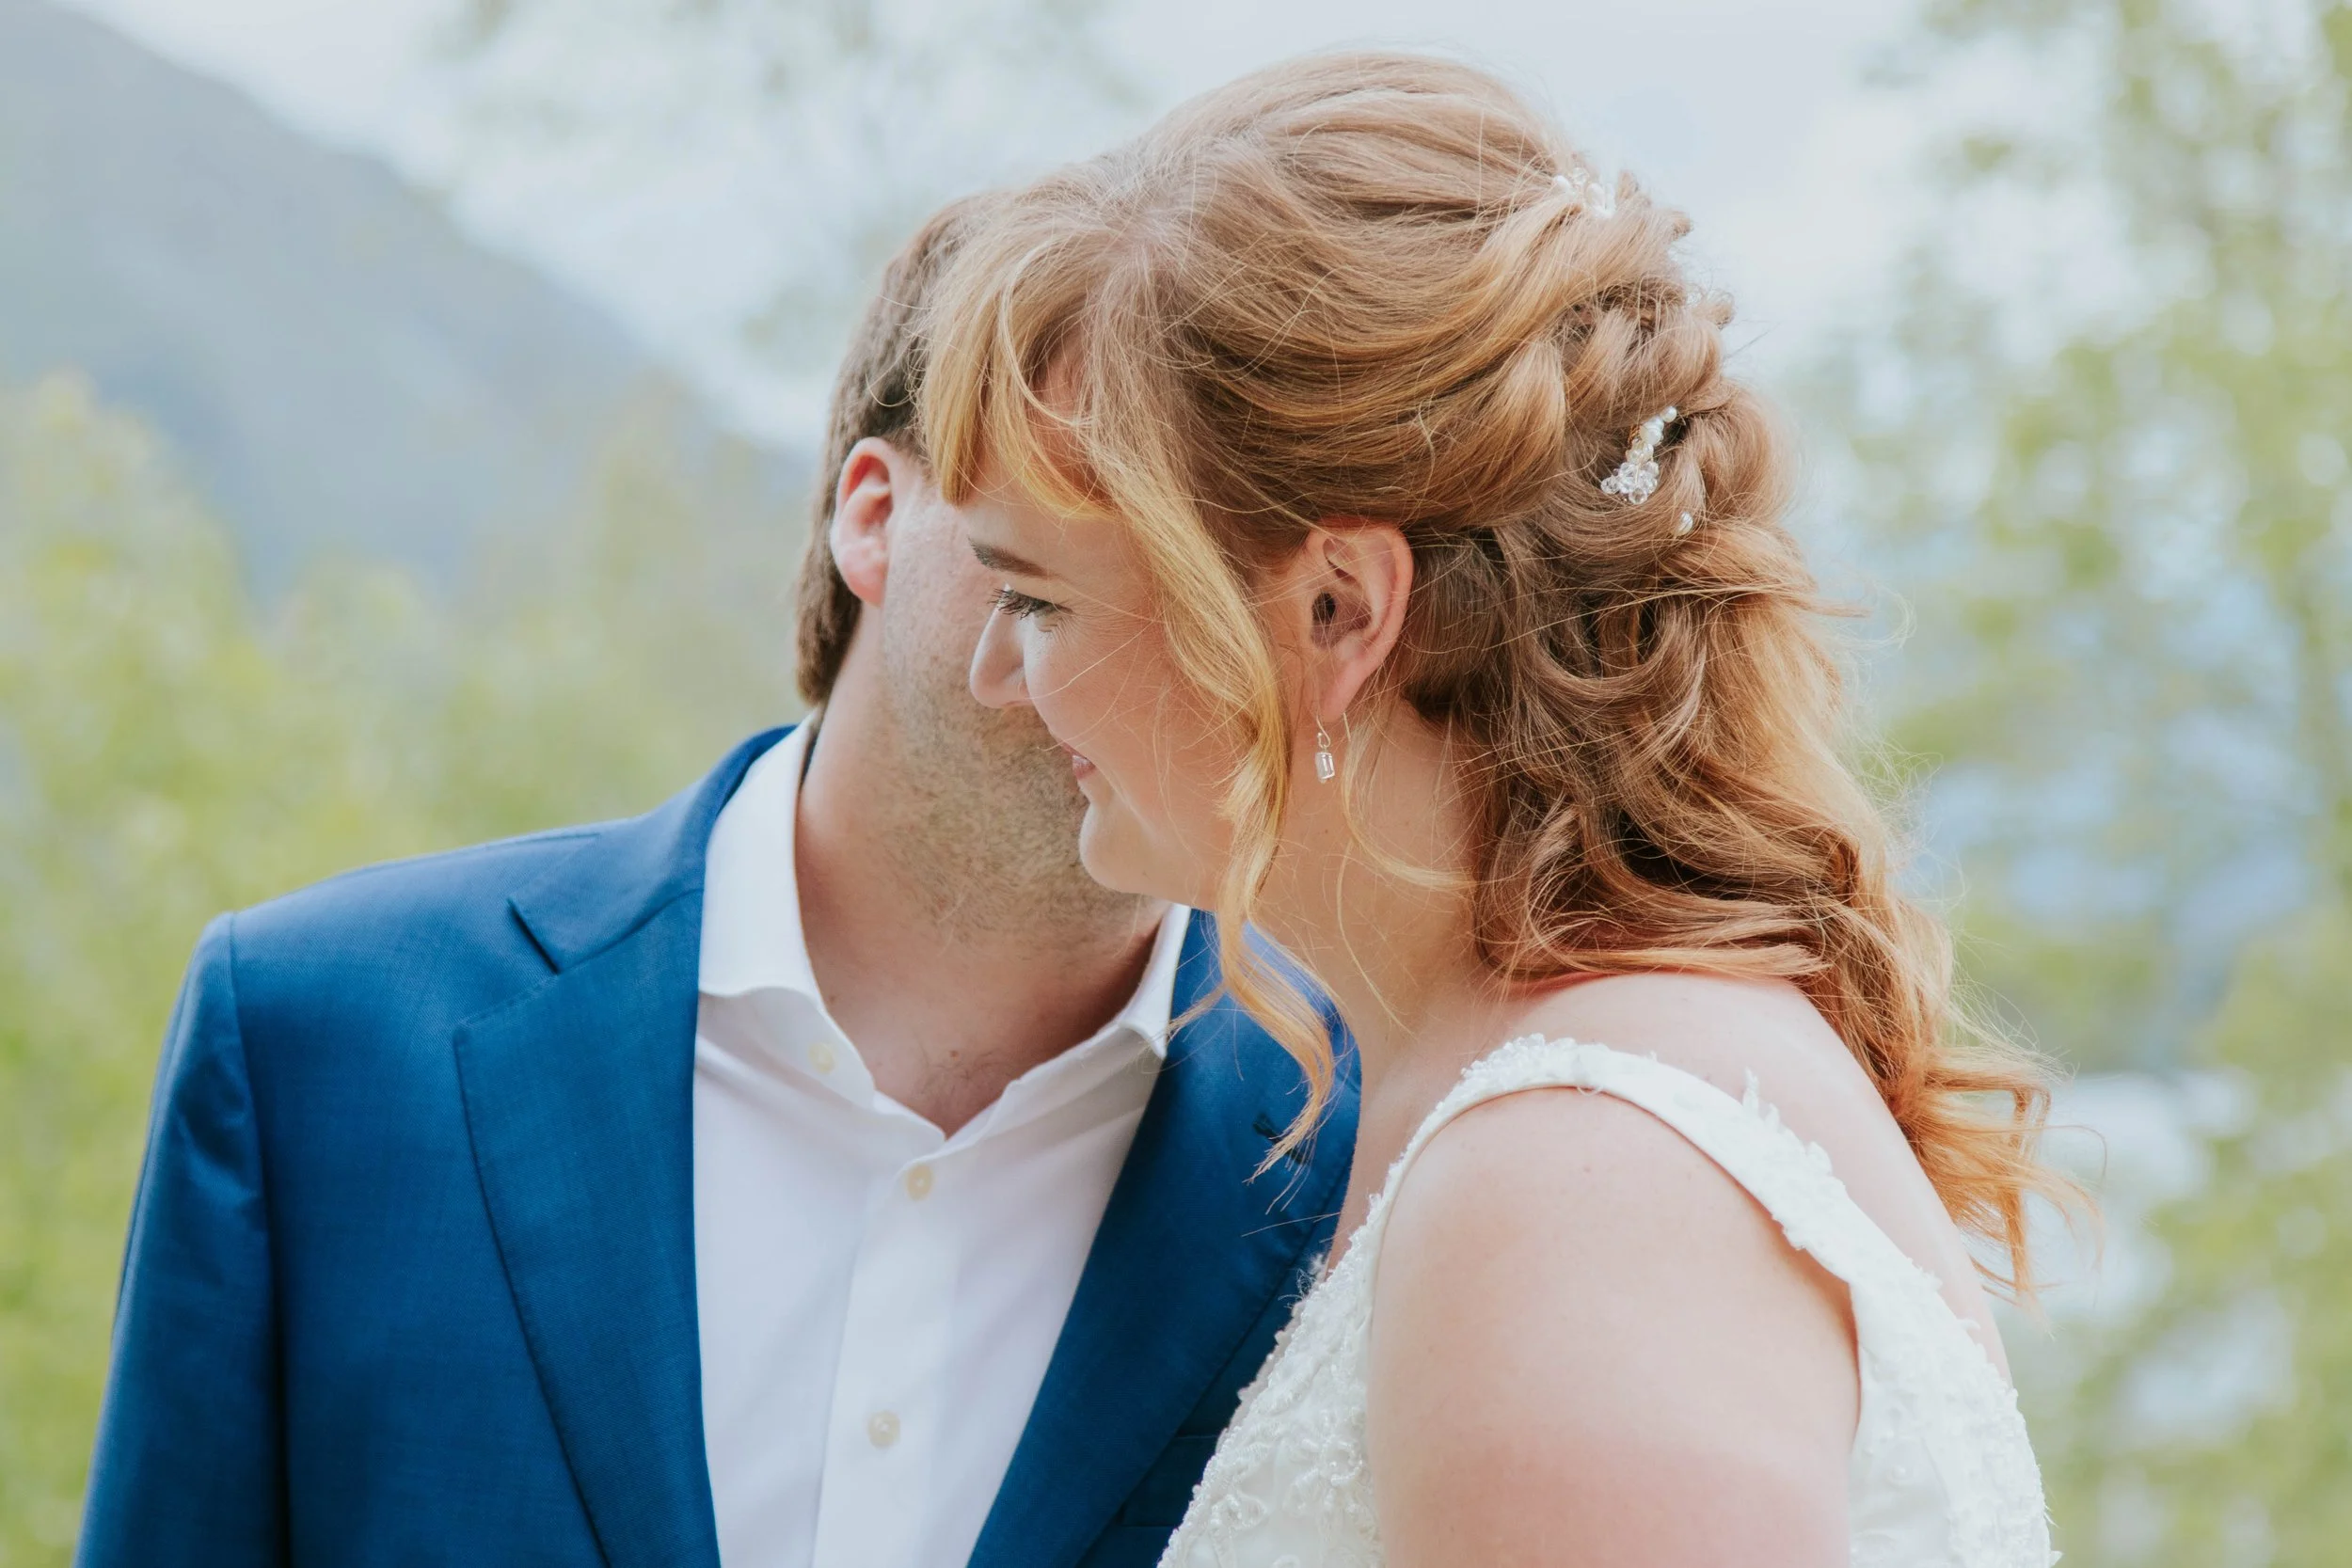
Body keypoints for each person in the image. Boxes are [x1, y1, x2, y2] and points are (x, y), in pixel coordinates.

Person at [75, 198, 1355, 1568]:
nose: (1147, 652)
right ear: (875, 517)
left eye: (1207, 582)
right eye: (1068, 548)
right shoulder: (315, 1038)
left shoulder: (1362, 1144)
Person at [931, 54, 2068, 1567]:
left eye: (1038, 596)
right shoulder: (1537, 1096)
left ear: (1338, 609)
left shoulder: (1575, 1184)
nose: (996, 674)